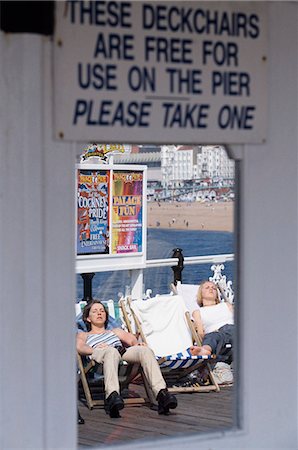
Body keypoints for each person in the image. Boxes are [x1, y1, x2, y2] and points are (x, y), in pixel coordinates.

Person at [77, 300, 178, 418]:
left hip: (120, 353)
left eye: (102, 311)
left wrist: (137, 344)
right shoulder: (84, 335)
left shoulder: (115, 331)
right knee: (111, 351)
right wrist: (94, 350)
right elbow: (79, 347)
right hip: (99, 356)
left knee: (145, 350)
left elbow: (131, 340)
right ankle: (112, 396)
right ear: (88, 318)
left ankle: (162, 394)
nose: (99, 313)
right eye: (95, 311)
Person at [189, 280, 234, 357]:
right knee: (212, 336)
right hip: (216, 335)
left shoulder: (226, 305)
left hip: (233, 330)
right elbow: (200, 334)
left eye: (214, 288)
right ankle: (204, 350)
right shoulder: (198, 312)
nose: (211, 289)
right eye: (207, 288)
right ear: (201, 294)